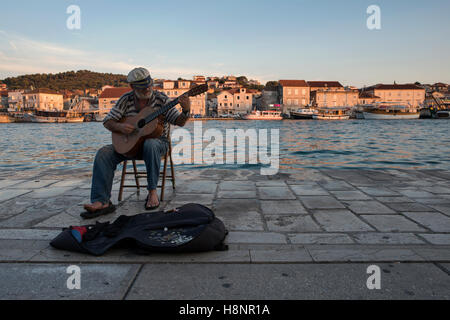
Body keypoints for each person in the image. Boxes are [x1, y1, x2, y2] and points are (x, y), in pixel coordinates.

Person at [81, 67, 190, 218]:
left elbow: (179, 122)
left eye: (149, 84)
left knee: (150, 144)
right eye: (143, 87)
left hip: (158, 144)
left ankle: (152, 193)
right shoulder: (126, 100)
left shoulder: (162, 100)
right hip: (131, 146)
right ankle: (101, 201)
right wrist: (120, 126)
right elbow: (108, 122)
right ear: (132, 87)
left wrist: (185, 111)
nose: (147, 88)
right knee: (103, 153)